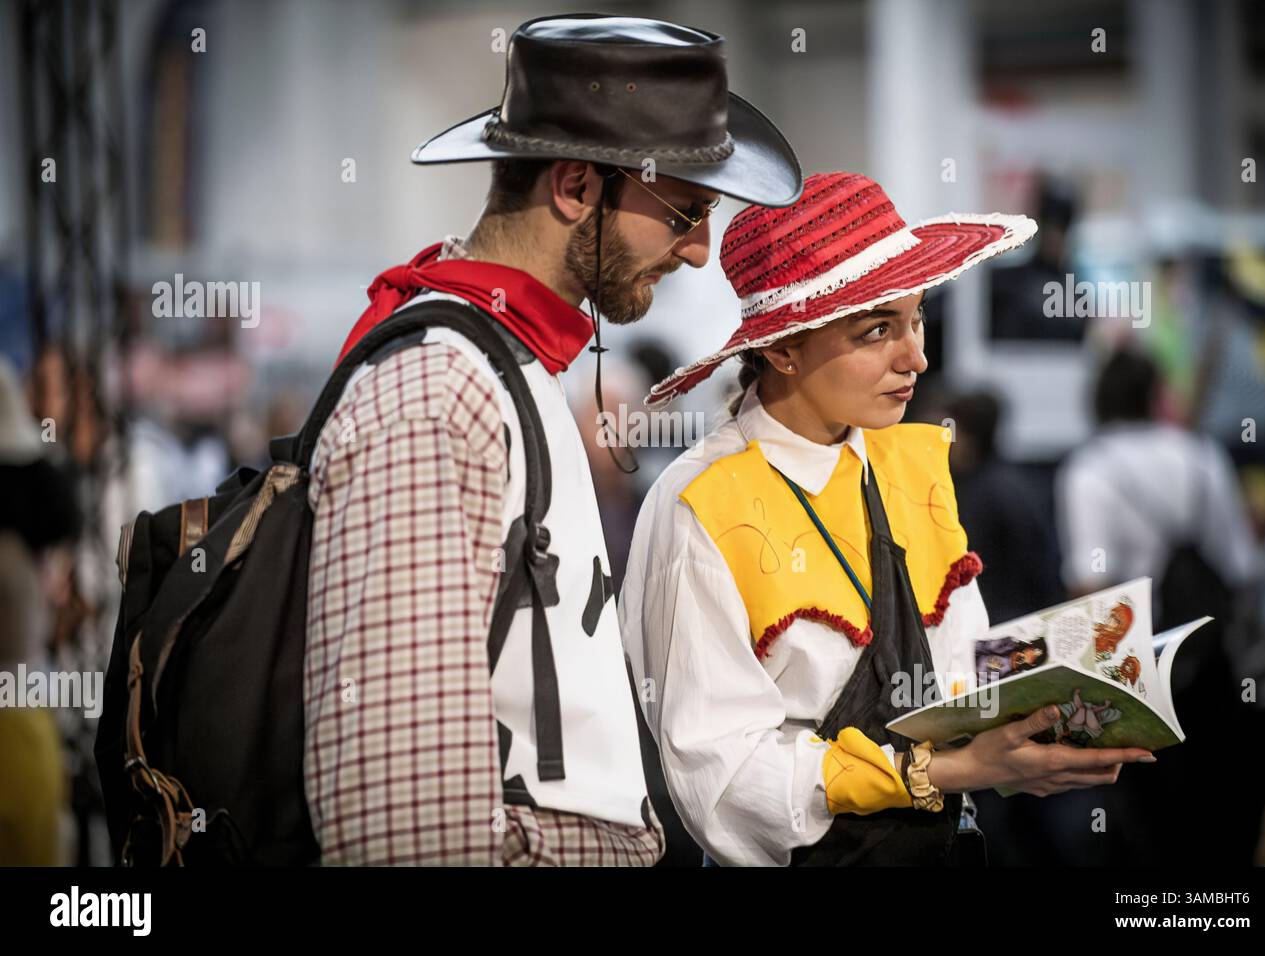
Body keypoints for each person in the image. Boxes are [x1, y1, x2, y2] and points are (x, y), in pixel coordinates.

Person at [303, 13, 803, 865]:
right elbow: (397, 809)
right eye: (685, 211)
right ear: (575, 187)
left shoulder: (508, 368)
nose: (698, 252)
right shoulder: (441, 387)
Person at [619, 172, 1157, 867]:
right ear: (782, 349)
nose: (917, 358)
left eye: (918, 317)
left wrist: (1061, 692)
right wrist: (947, 773)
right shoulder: (702, 505)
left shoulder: (910, 466)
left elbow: (963, 666)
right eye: (876, 331)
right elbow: (721, 782)